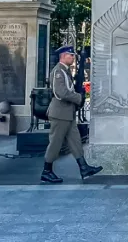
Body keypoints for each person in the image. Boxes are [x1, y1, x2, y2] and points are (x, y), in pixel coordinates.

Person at [41, 45, 102, 184]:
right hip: (60, 114)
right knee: (55, 143)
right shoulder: (58, 72)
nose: (73, 57)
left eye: (73, 55)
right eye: (71, 55)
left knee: (75, 141)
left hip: (67, 114)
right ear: (63, 56)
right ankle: (46, 171)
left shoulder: (65, 71)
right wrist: (78, 98)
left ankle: (84, 168)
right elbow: (61, 93)